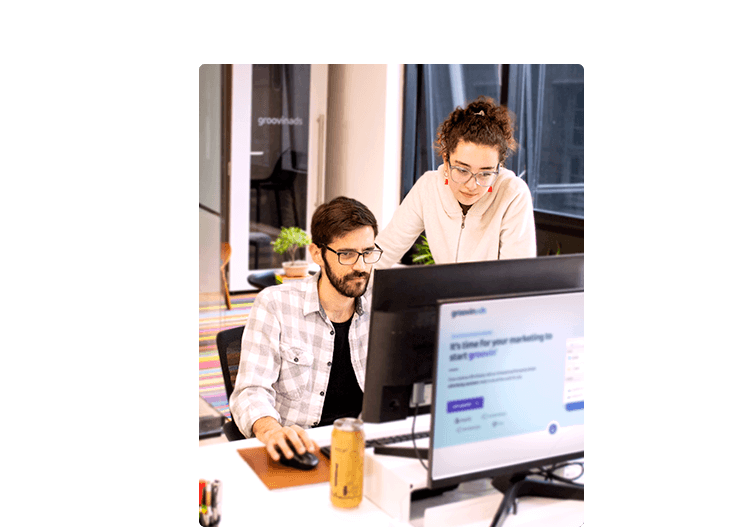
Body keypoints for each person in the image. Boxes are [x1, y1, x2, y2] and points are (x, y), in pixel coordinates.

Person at [229, 196, 382, 461]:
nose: (360, 266)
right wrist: (270, 430)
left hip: (366, 447)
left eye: (367, 253)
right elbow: (250, 392)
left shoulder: (382, 307)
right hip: (300, 449)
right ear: (316, 254)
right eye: (346, 254)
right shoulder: (275, 303)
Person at [376, 95, 536, 267]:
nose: (471, 185)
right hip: (446, 292)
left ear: (499, 167)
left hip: (492, 294)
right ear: (446, 160)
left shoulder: (513, 194)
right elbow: (383, 252)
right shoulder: (428, 187)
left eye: (485, 173)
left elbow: (515, 279)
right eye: (462, 170)